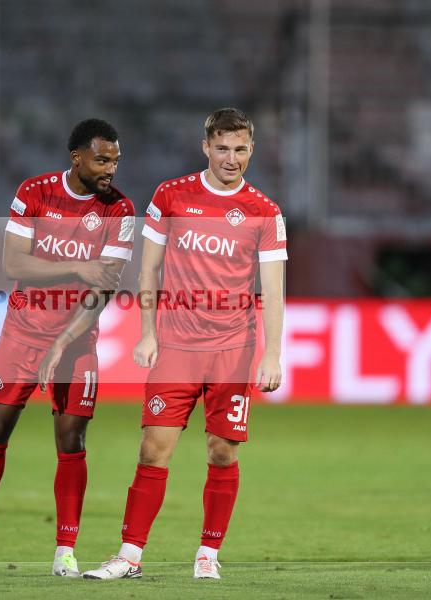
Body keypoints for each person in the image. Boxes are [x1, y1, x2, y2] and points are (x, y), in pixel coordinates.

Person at [83, 108, 287, 581]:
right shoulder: (171, 196)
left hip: (233, 350)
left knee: (222, 451)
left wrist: (272, 353)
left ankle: (207, 555)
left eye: (240, 149)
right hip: (175, 347)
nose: (231, 158)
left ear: (250, 150)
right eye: (222, 148)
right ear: (205, 147)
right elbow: (148, 270)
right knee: (154, 449)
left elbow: (273, 290)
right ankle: (129, 556)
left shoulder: (265, 211)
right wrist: (148, 332)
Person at [0, 118, 135, 578]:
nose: (110, 168)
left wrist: (66, 341)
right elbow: (14, 263)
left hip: (77, 339)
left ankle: (64, 552)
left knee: (72, 440)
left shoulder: (121, 210)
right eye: (101, 159)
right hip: (21, 332)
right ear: (76, 157)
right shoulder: (34, 192)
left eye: (115, 159)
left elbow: (103, 289)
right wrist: (81, 265)